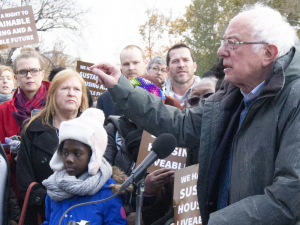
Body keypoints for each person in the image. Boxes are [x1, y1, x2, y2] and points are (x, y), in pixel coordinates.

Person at [91, 3, 300, 224]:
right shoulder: (231, 96)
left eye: (233, 43)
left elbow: (289, 197)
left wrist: (212, 222)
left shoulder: (294, 100)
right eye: (223, 42)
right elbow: (179, 125)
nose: (221, 51)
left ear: (268, 53)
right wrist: (121, 87)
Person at [16, 69, 89, 224]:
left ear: (82, 96)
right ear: (53, 94)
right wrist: (52, 202)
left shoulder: (93, 131)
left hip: (83, 212)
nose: (71, 93)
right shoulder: (33, 129)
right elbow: (25, 179)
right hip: (42, 212)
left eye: (77, 89)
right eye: (65, 88)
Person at [42, 108, 127, 225]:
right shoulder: (54, 189)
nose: (69, 159)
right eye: (65, 152)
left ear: (93, 156)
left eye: (77, 154)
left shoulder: (106, 193)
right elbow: (48, 220)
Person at [97, 45, 147, 125]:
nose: (131, 68)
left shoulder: (157, 94)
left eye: (135, 63)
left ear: (145, 63)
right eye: (126, 64)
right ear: (120, 66)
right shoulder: (104, 99)